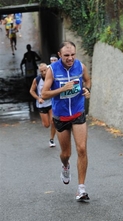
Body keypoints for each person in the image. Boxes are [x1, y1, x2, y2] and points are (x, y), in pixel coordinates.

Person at [41, 41, 91, 201]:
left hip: (78, 112)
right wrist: (63, 89)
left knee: (82, 149)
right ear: (59, 55)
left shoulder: (80, 66)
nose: (70, 58)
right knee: (66, 153)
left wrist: (87, 90)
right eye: (66, 55)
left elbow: (87, 81)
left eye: (72, 55)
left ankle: (81, 189)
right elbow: (44, 94)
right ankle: (65, 165)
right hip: (61, 116)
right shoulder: (52, 70)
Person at [29, 63, 57, 147]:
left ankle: (51, 140)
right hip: (42, 104)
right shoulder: (37, 80)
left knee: (53, 121)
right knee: (47, 125)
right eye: (42, 71)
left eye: (45, 70)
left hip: (51, 102)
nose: (44, 72)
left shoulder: (52, 78)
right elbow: (31, 91)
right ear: (39, 71)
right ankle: (45, 120)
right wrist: (38, 98)